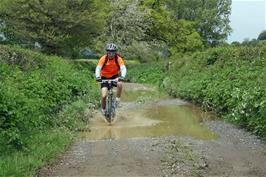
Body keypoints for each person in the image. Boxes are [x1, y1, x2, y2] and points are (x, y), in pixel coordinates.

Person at [95, 43, 127, 114]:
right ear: (107, 52)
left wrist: (122, 76)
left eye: (113, 52)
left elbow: (123, 68)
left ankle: (117, 99)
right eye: (109, 52)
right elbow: (98, 68)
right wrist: (98, 77)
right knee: (104, 95)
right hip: (104, 77)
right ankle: (103, 109)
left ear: (115, 52)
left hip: (114, 76)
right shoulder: (103, 58)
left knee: (120, 83)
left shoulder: (118, 59)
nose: (111, 54)